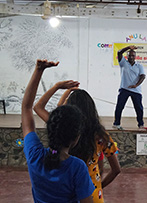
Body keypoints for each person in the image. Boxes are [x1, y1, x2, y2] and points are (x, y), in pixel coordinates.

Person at [22, 59, 93, 203]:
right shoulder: (77, 167)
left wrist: (39, 71)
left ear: (51, 128)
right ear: (76, 138)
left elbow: (27, 107)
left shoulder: (34, 156)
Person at [42, 77, 120, 202]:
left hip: (69, 193)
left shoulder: (65, 130)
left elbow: (39, 108)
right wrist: (99, 187)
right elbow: (116, 170)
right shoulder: (102, 136)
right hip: (94, 196)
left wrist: (63, 89)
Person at [113, 45, 146, 129]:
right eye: (129, 55)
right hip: (124, 88)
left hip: (136, 90)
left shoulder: (139, 66)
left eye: (133, 55)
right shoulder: (123, 63)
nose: (131, 57)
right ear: (127, 56)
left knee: (139, 108)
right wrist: (128, 47)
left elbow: (142, 76)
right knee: (120, 106)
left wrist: (136, 85)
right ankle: (116, 123)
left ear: (135, 57)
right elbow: (119, 52)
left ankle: (141, 124)